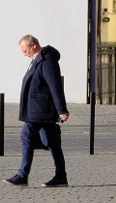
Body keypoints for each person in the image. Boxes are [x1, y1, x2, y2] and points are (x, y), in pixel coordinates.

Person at [7, 35, 70, 187]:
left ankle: (23, 175)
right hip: (37, 108)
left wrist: (61, 109)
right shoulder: (37, 60)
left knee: (26, 136)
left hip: (41, 109)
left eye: (25, 50)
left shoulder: (46, 60)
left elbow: (55, 85)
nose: (24, 54)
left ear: (33, 45)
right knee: (52, 142)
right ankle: (61, 176)